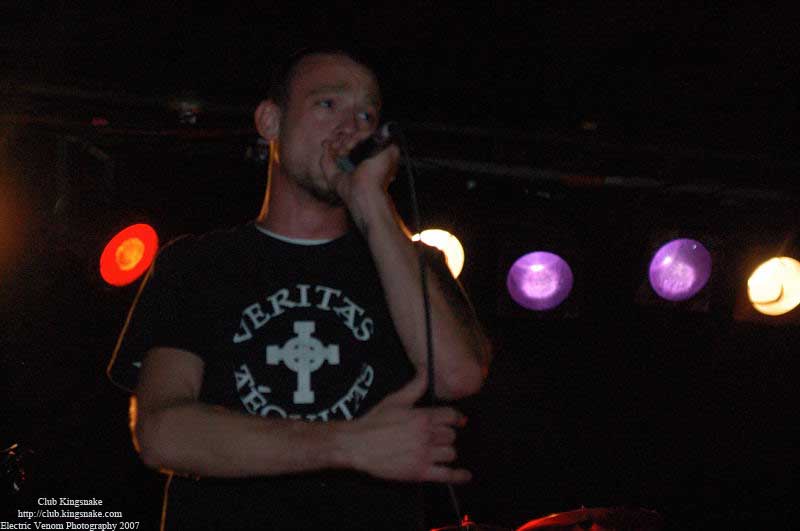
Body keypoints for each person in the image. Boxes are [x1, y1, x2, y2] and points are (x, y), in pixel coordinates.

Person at [108, 47, 491, 530]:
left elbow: (458, 376)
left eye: (367, 116)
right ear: (270, 121)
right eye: (328, 104)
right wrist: (348, 444)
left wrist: (372, 203)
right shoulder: (199, 264)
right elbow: (162, 433)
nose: (351, 128)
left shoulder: (411, 263)